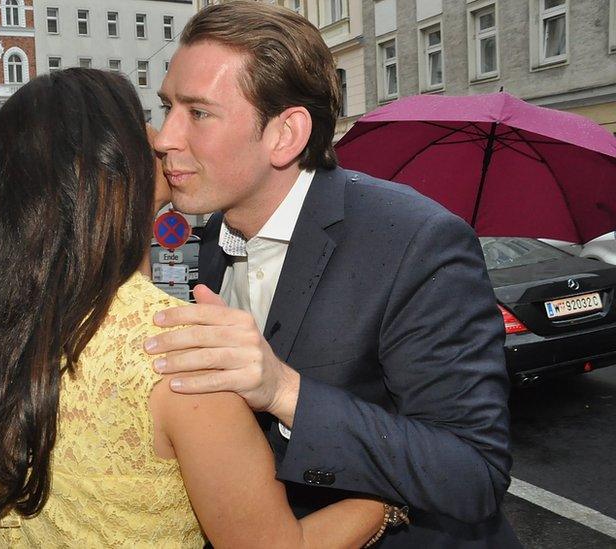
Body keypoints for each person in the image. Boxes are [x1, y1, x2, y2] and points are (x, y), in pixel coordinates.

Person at [0, 68, 388, 548]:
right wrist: (389, 497)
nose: (166, 139)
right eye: (150, 123)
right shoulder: (181, 352)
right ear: (112, 171)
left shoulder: (13, 323)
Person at [145, 2, 519, 547]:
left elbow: (473, 473)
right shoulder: (197, 247)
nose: (163, 137)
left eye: (197, 113)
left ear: (285, 134)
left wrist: (282, 390)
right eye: (166, 107)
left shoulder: (414, 241)